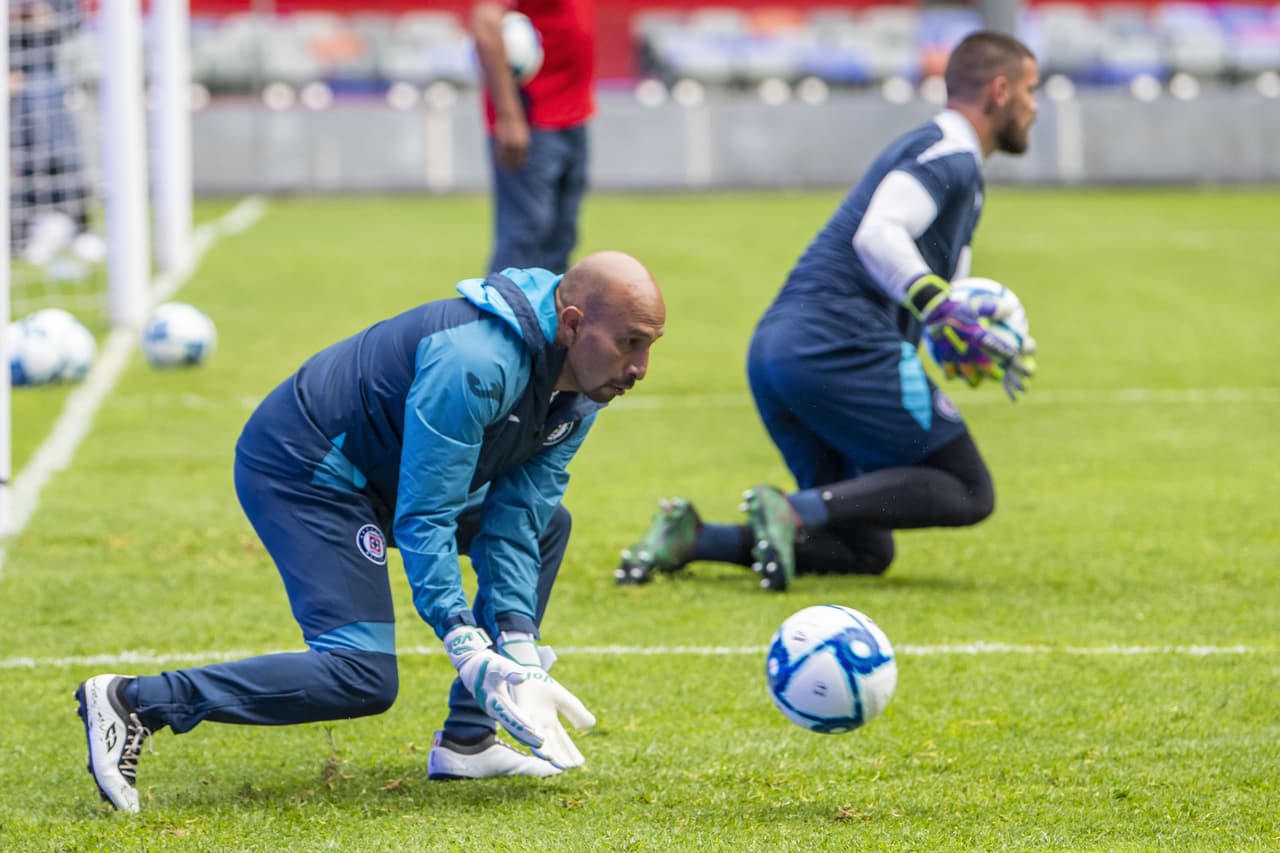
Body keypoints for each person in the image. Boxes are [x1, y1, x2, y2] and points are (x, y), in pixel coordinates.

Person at [76, 251, 666, 812]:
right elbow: (427, 515)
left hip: (386, 477)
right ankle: (133, 702)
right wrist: (466, 644)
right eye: (629, 343)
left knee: (547, 527)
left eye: (649, 346)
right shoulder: (475, 362)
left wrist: (516, 651)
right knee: (360, 675)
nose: (639, 368)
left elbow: (519, 518)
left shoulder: (584, 390)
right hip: (307, 470)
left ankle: (468, 741)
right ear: (571, 323)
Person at [617, 31, 1039, 592]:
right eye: (1033, 91)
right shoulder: (951, 155)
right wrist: (937, 307)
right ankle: (793, 511)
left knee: (863, 545)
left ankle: (695, 537)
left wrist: (965, 342)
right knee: (967, 488)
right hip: (838, 346)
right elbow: (879, 233)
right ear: (1001, 91)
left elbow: (949, 295)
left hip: (778, 355)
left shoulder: (953, 164)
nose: (1037, 107)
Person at [471, 0, 594, 274]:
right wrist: (509, 115)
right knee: (524, 238)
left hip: (573, 115)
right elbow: (485, 24)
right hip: (531, 120)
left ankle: (547, 317)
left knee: (560, 239)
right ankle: (499, 316)